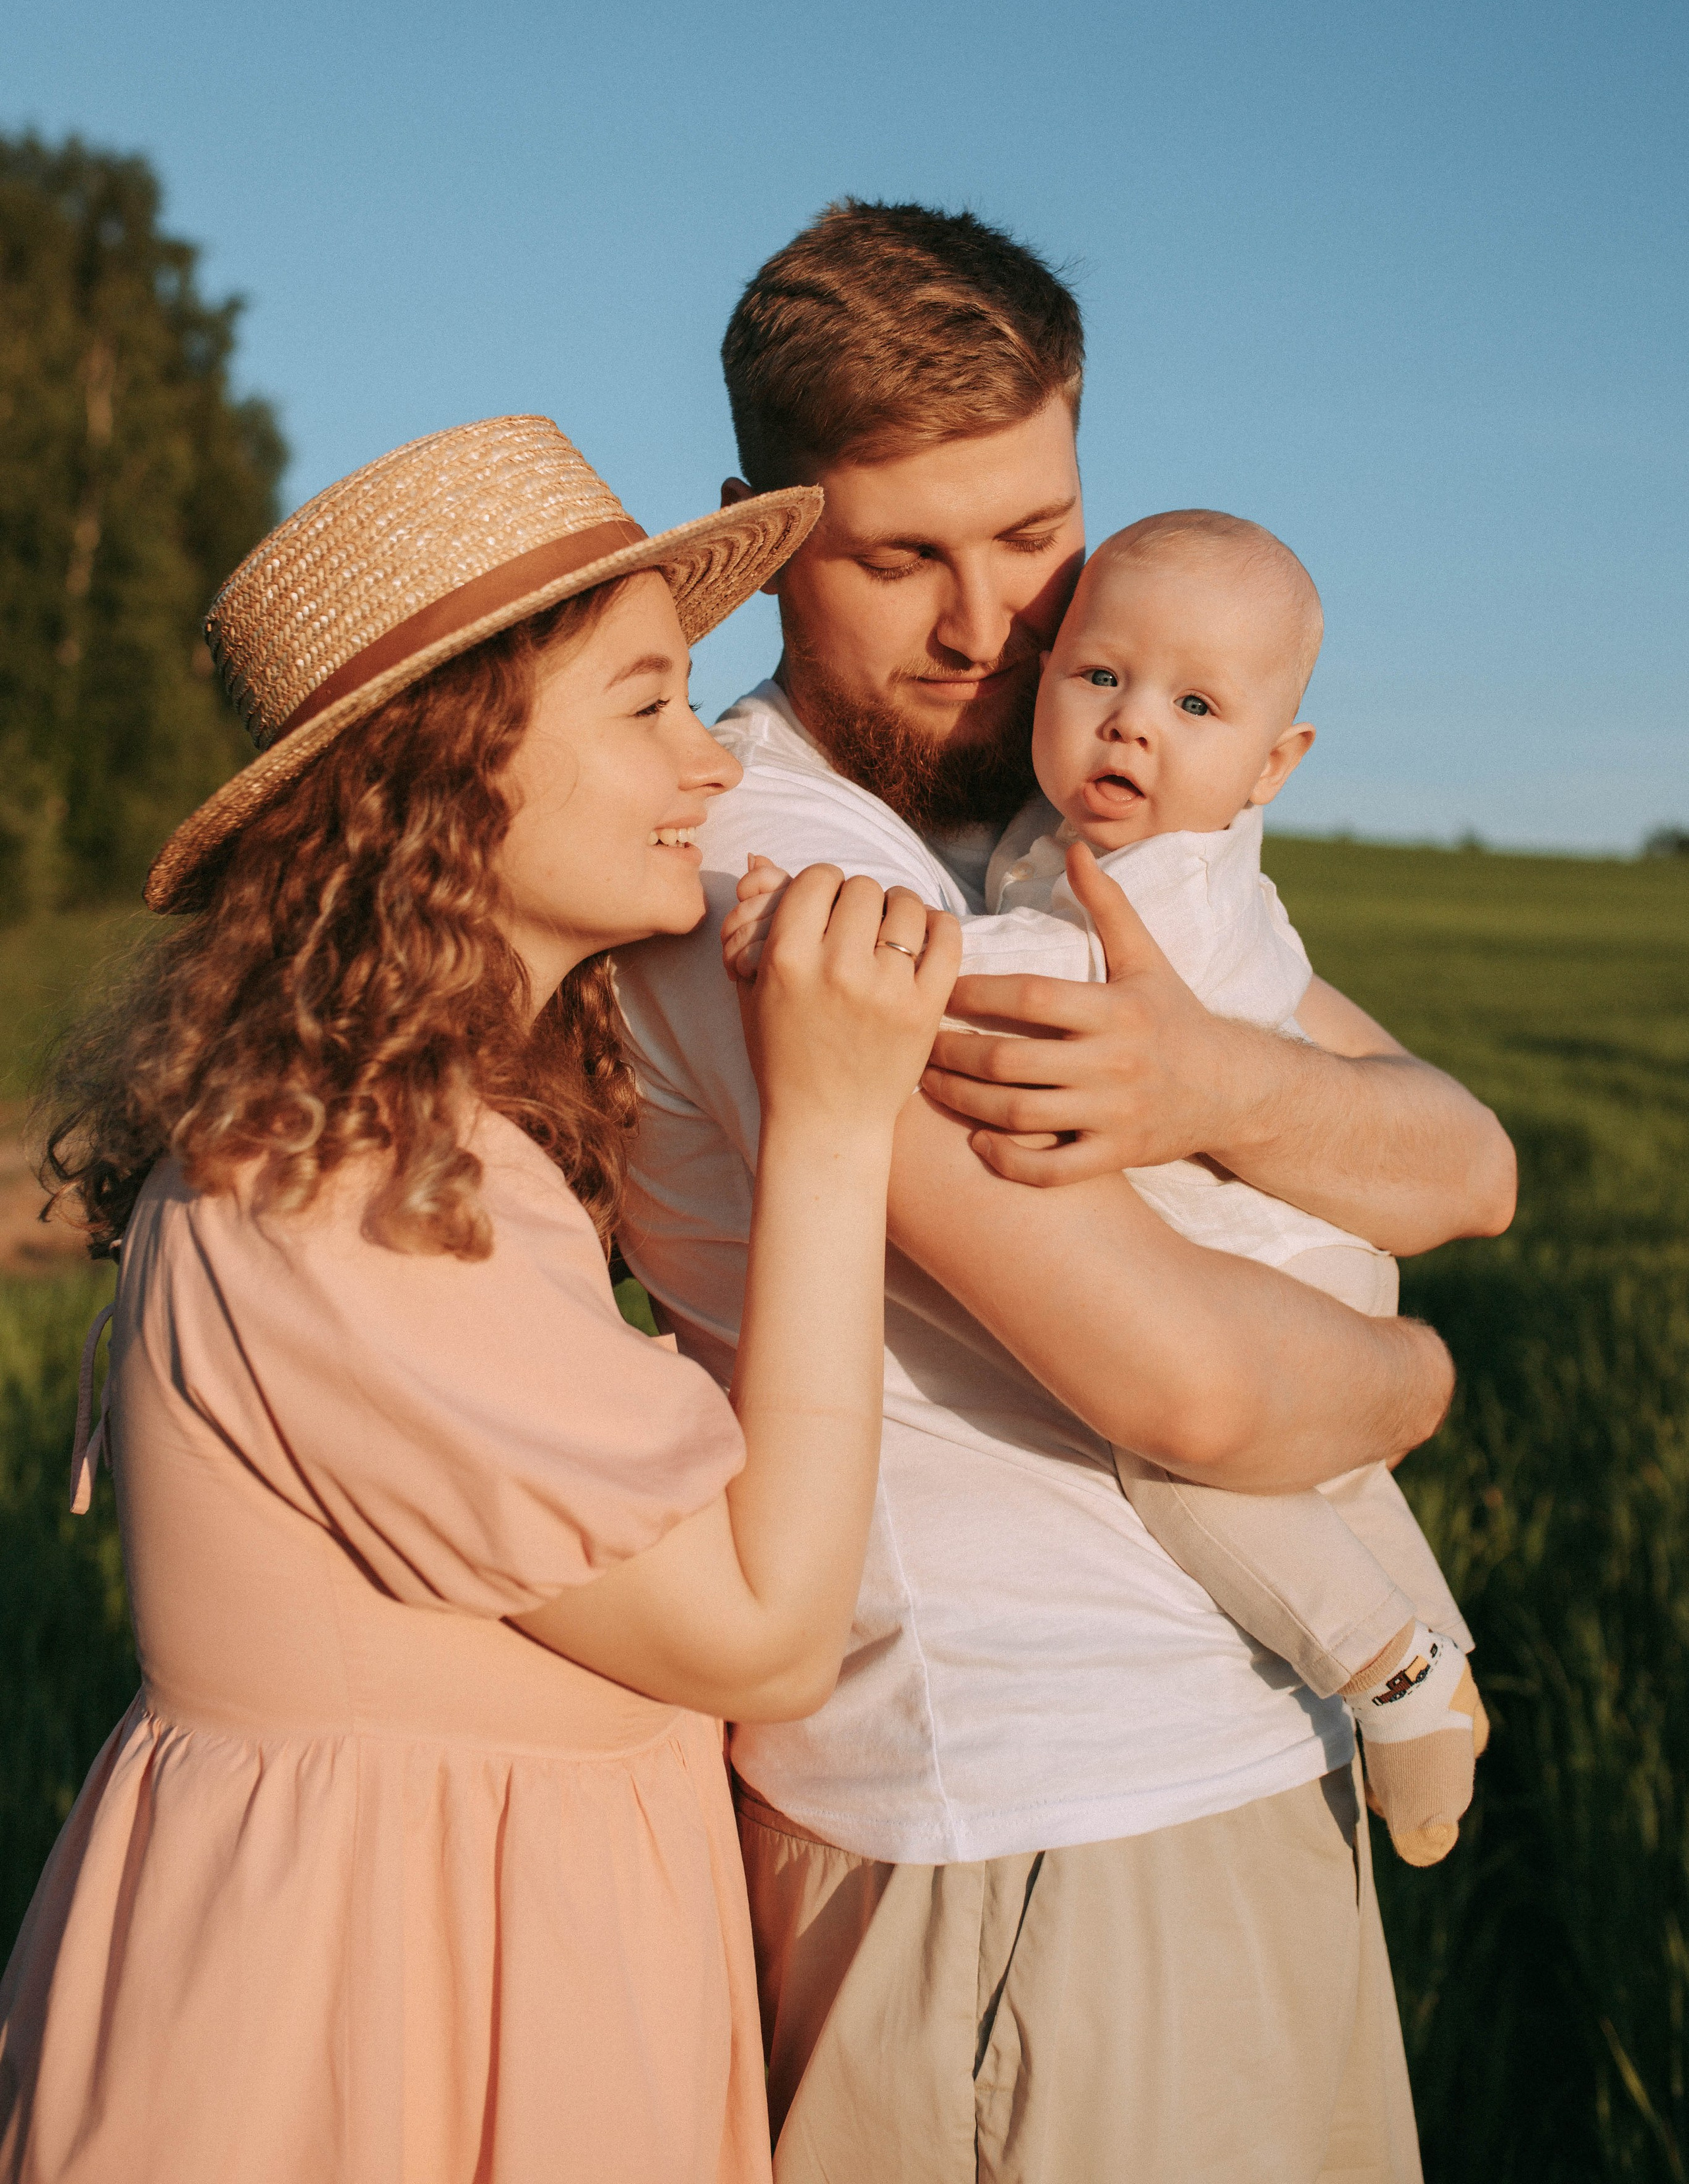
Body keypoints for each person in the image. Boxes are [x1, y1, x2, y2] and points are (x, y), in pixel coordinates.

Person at [613, 204, 1517, 2183]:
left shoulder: (1045, 833)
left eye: (1036, 538)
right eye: (901, 555)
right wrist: (1421, 1383)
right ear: (759, 535)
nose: (988, 622)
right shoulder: (765, 875)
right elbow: (1190, 1390)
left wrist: (1221, 1078)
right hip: (1019, 1846)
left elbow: (1470, 1158)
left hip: (1234, 1774)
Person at [0, 414, 961, 2184]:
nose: (713, 765)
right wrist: (833, 1124)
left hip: (448, 1947)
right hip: (373, 2014)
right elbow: (757, 1629)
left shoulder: (394, 1131)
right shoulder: (349, 1179)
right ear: (449, 773)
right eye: (648, 703)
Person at [725, 505, 1490, 1873]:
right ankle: (1443, 1673)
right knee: (1331, 1491)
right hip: (1295, 1249)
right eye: (1099, 679)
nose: (1131, 725)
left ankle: (1388, 1665)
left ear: (1272, 764)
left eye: (1192, 705)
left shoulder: (1165, 889)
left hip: (1268, 1268)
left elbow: (999, 983)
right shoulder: (1083, 835)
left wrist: (810, 930)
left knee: (1185, 1468)